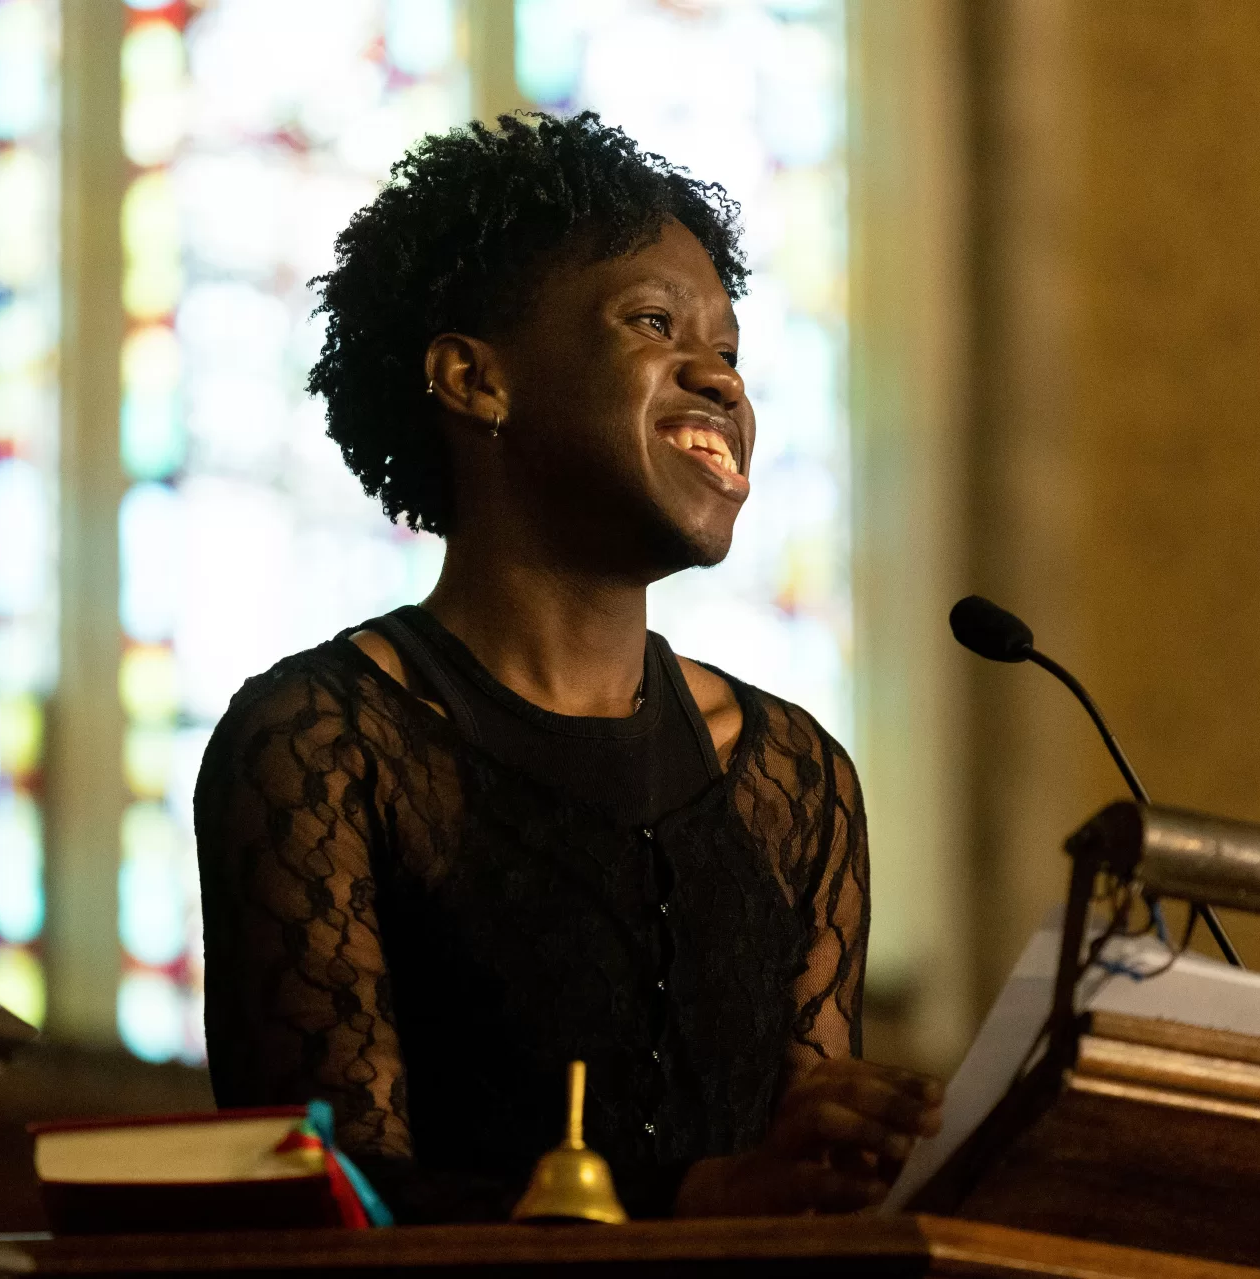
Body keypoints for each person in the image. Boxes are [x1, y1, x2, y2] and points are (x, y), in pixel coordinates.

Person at [194, 112, 942, 1222]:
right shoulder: (316, 743)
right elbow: (332, 1207)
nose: (721, 382)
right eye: (653, 323)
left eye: (730, 353)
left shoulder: (795, 778)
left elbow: (804, 1195)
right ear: (472, 379)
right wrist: (695, 1196)